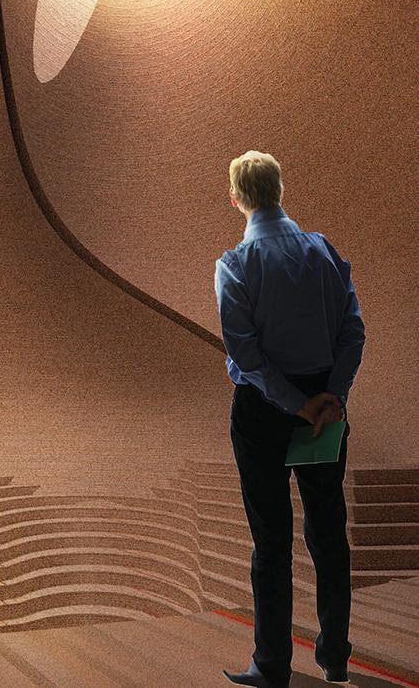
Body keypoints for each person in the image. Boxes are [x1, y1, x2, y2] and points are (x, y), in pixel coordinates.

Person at [217, 151, 365, 688]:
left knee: (271, 538)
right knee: (329, 532)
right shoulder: (323, 251)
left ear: (236, 199)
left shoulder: (234, 265)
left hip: (262, 414)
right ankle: (335, 657)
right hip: (324, 407)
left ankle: (273, 663)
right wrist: (328, 397)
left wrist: (292, 402)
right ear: (280, 189)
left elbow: (247, 357)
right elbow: (353, 333)